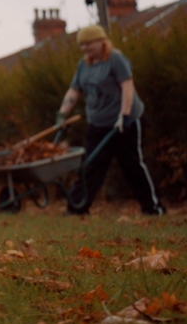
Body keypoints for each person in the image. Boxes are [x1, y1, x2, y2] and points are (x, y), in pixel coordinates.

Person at [60, 24, 164, 215]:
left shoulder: (116, 59)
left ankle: (153, 208)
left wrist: (123, 115)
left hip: (125, 123)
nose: (85, 48)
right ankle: (77, 207)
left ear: (101, 41)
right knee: (91, 165)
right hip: (98, 123)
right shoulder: (84, 64)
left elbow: (127, 87)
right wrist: (62, 114)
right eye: (82, 45)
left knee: (132, 165)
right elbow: (74, 90)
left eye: (89, 43)